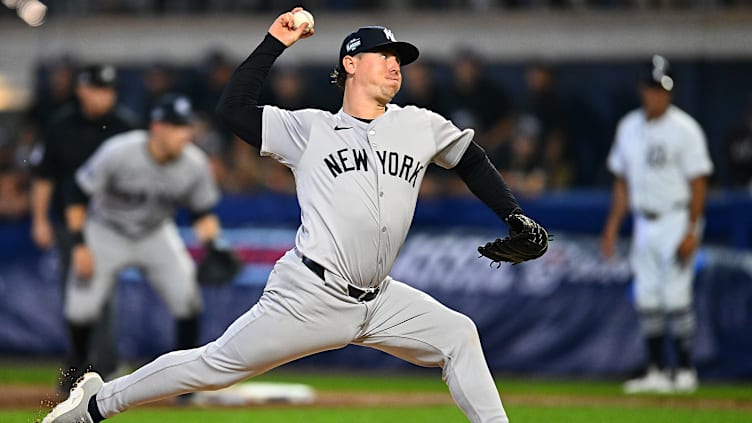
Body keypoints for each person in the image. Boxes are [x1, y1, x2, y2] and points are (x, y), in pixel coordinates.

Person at [42, 9, 546, 423]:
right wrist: (273, 43)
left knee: (458, 334)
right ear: (350, 63)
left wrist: (514, 215)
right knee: (215, 365)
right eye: (384, 55)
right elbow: (233, 110)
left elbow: (471, 157)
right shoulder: (309, 129)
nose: (396, 65)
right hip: (310, 295)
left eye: (400, 58)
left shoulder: (419, 125)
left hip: (382, 297)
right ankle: (93, 405)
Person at [58, 93, 224, 405]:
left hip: (155, 232)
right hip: (106, 230)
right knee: (80, 309)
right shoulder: (120, 152)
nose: (184, 134)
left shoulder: (194, 163)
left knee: (187, 299)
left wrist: (213, 244)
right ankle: (76, 370)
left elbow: (202, 212)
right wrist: (79, 244)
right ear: (157, 127)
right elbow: (76, 193)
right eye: (176, 126)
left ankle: (185, 387)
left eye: (186, 127)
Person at [601, 55, 713, 394]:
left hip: (676, 217)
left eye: (662, 90)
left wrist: (692, 229)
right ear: (642, 89)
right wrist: (612, 226)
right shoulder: (628, 127)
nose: (656, 96)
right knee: (648, 297)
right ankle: (656, 370)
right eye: (651, 89)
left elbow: (698, 183)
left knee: (676, 296)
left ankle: (684, 370)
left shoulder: (685, 129)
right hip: (643, 221)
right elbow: (621, 180)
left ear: (671, 92)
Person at [28, 64, 140, 392]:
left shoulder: (125, 127)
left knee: (102, 297)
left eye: (108, 90)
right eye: (97, 89)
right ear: (82, 90)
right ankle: (87, 365)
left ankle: (101, 364)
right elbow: (44, 176)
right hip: (69, 225)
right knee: (76, 295)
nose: (103, 96)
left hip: (110, 226)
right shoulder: (61, 125)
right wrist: (39, 219)